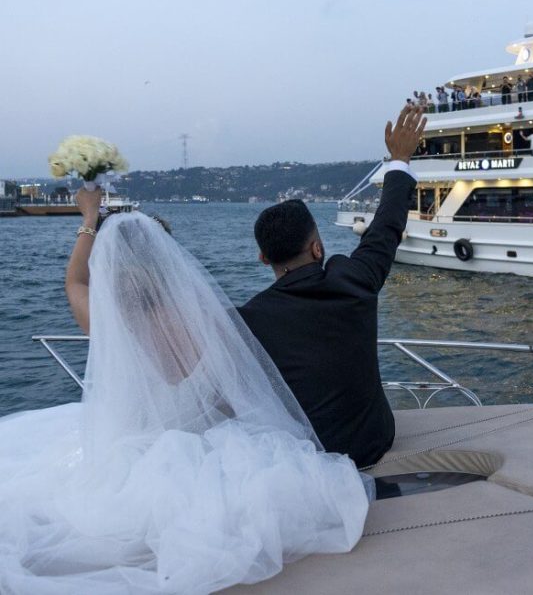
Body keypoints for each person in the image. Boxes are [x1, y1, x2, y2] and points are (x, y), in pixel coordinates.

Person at [0, 187, 371, 592]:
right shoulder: (205, 321)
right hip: (198, 454)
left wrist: (89, 218)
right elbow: (228, 398)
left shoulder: (104, 319)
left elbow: (74, 281)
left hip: (126, 453)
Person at [239, 105, 425, 468]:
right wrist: (399, 160)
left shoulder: (249, 320)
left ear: (263, 258)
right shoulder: (353, 281)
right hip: (373, 444)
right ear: (317, 248)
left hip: (304, 457)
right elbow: (386, 228)